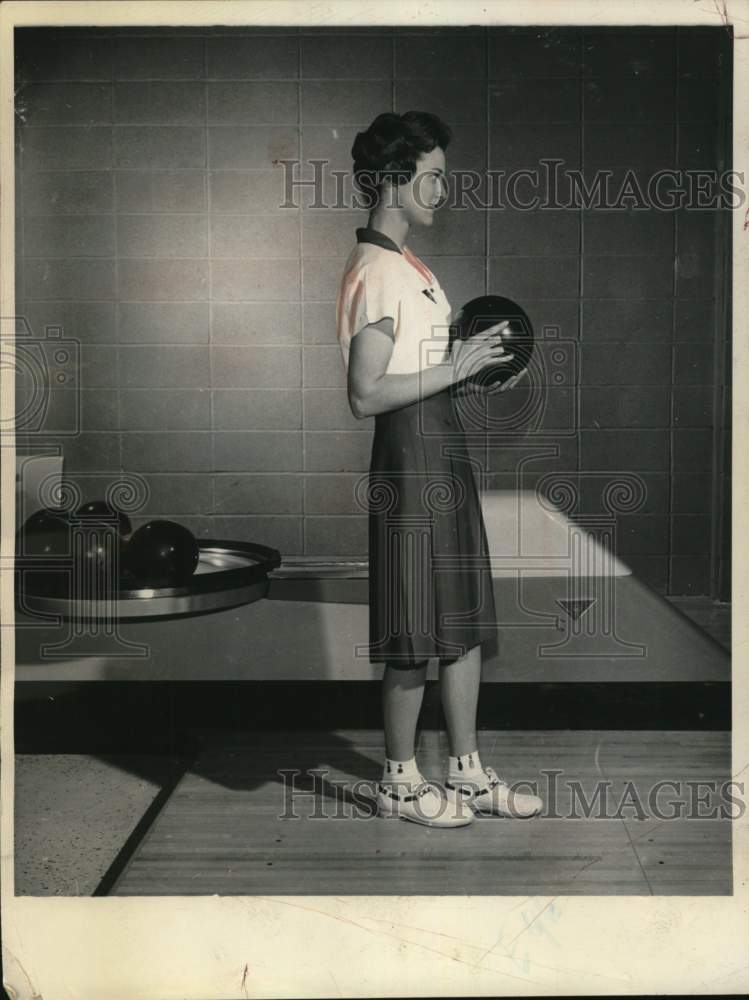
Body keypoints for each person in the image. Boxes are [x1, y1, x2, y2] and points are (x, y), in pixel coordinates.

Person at [335, 111, 543, 828]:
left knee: (460, 621)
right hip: (406, 456)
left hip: (442, 447)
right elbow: (365, 394)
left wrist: (473, 372)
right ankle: (397, 780)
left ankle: (467, 771)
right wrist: (449, 368)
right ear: (393, 181)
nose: (442, 191)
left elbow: (423, 371)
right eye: (432, 178)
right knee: (413, 628)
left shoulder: (414, 271)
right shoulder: (373, 271)